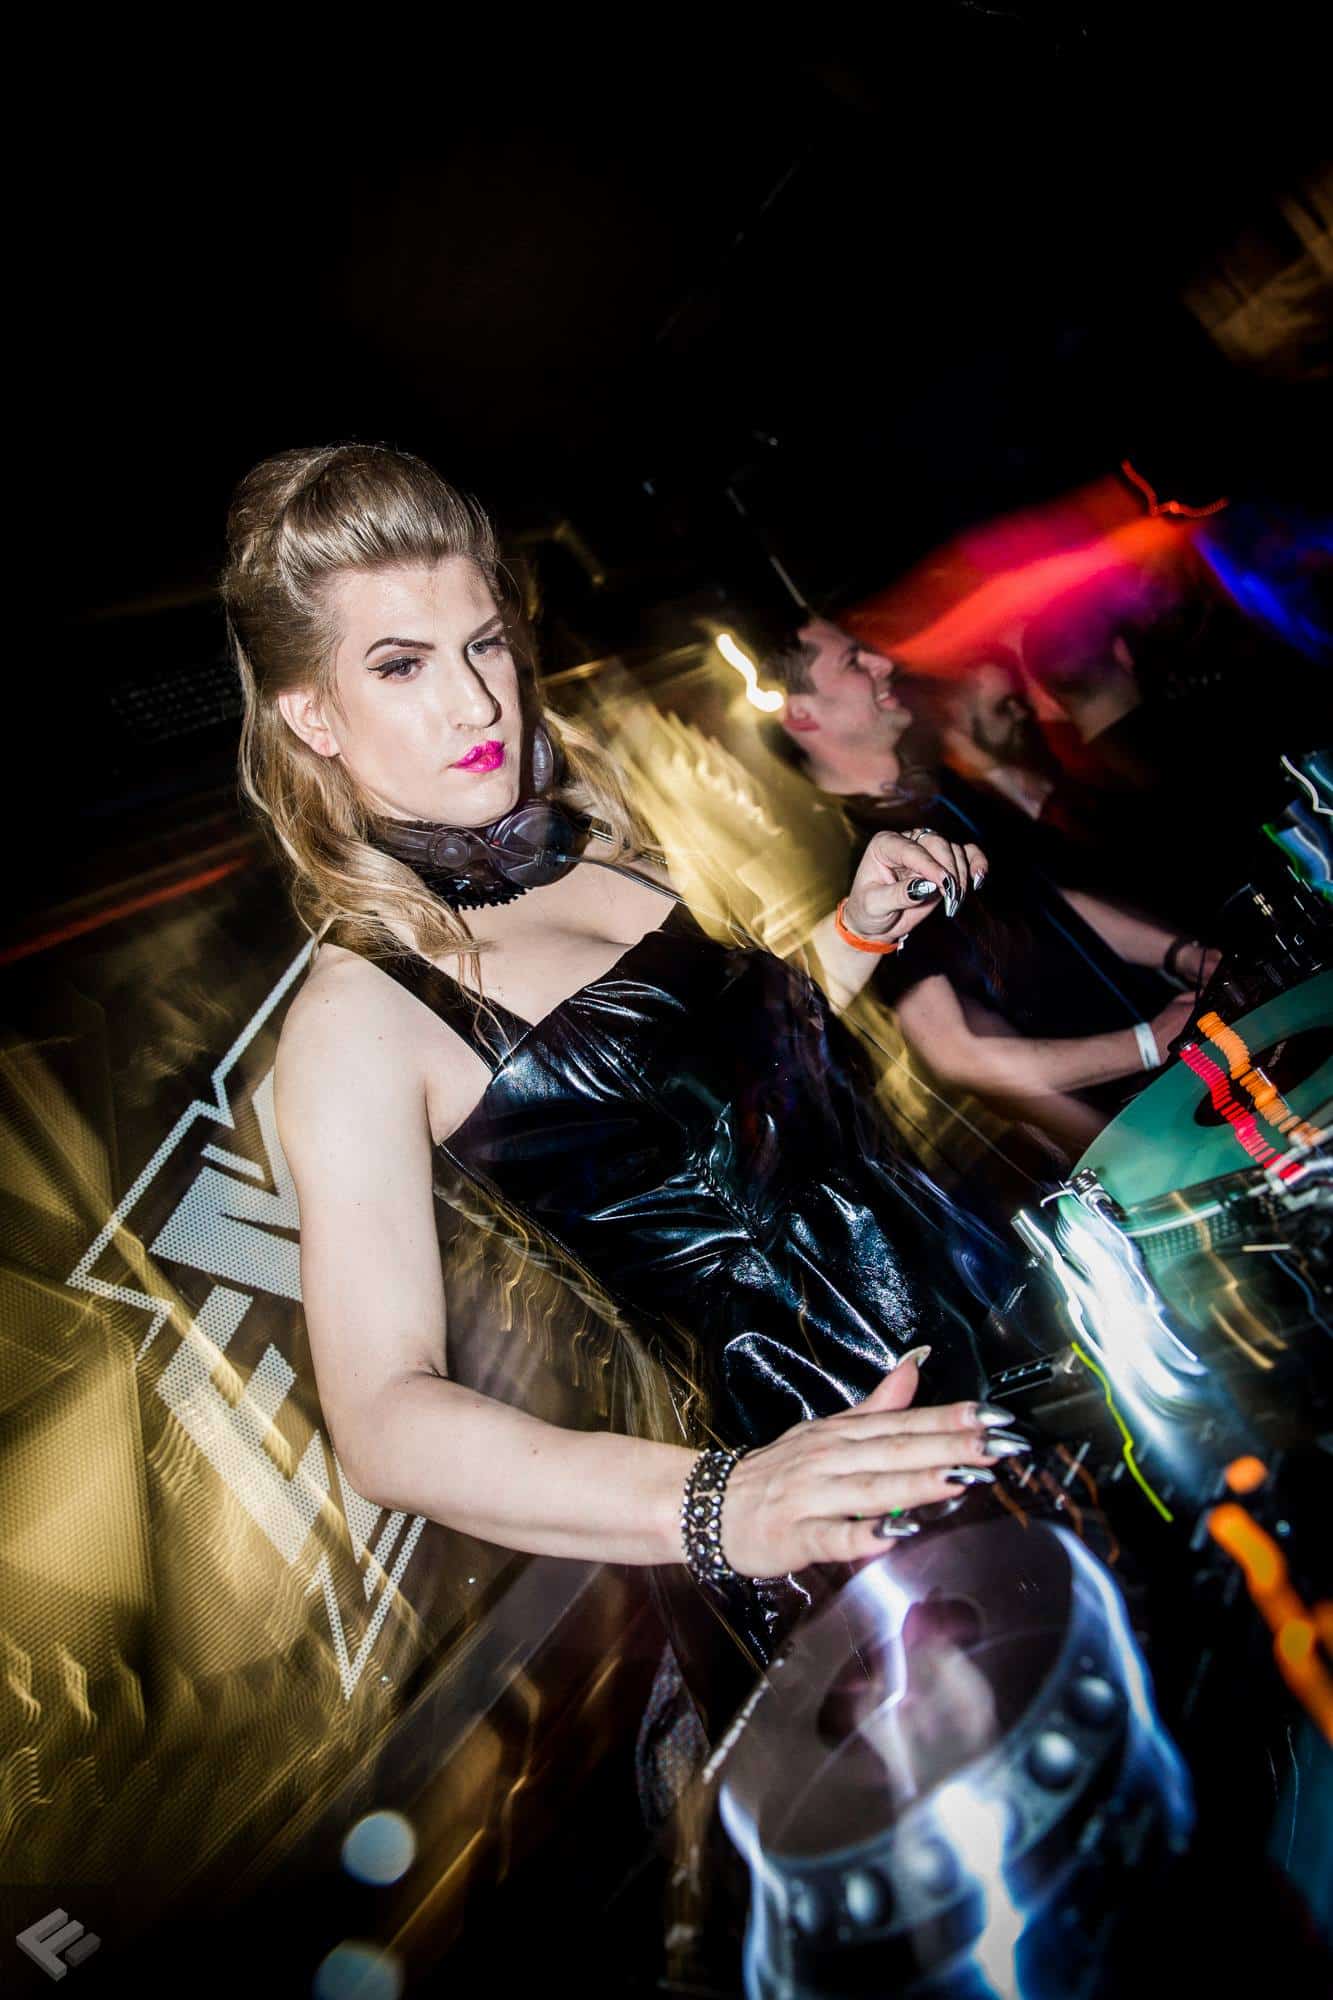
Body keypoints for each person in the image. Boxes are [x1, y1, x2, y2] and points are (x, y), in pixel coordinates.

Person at [221, 443, 1024, 1735]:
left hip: (974, 1301)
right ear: (314, 714)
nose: (475, 703)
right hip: (836, 1462)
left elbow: (745, 1103)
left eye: (485, 645)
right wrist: (720, 1504)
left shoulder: (592, 847)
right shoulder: (358, 1017)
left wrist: (856, 931)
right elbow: (381, 1418)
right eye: (402, 666)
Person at [760, 615, 1218, 1158]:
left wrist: (1181, 953)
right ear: (801, 714)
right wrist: (1142, 1052)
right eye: (853, 662)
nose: (883, 663)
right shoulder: (856, 863)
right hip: (1131, 1126)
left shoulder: (938, 790)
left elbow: (1049, 902)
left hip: (1169, 1064)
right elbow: (957, 1053)